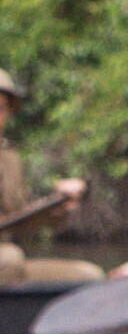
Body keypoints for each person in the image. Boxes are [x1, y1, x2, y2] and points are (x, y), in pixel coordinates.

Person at [0, 66, 103, 284]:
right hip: (7, 262)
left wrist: (56, 207)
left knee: (88, 275)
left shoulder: (10, 159)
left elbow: (18, 219)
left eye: (0, 108)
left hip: (7, 265)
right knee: (10, 258)